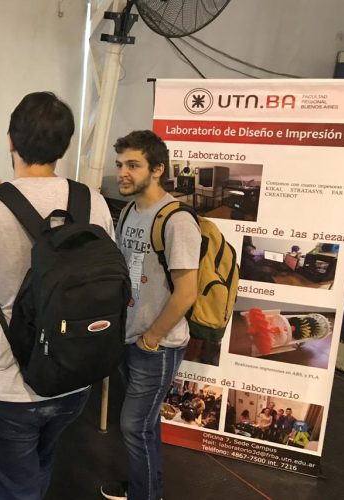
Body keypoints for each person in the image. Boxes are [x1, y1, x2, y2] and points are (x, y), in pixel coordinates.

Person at [0, 91, 113, 499]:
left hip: (6, 383)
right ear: (65, 145)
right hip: (73, 374)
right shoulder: (94, 202)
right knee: (39, 466)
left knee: (17, 485)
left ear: (10, 140)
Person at [101, 130, 200, 500]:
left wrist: (152, 337)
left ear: (157, 169)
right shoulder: (129, 211)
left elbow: (186, 291)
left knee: (133, 425)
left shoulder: (176, 220)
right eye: (120, 165)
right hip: (130, 336)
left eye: (133, 165)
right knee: (144, 424)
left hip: (157, 344)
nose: (122, 173)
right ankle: (146, 487)